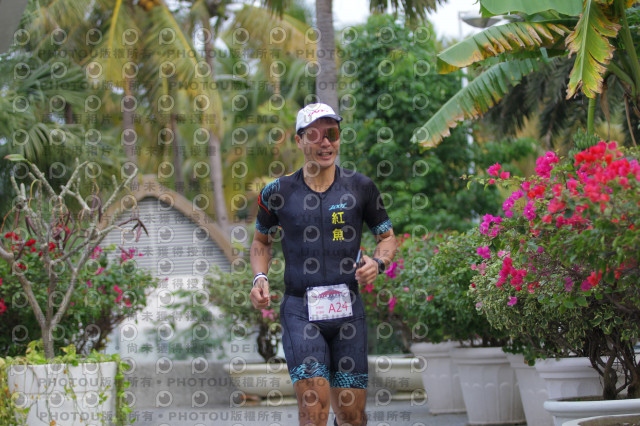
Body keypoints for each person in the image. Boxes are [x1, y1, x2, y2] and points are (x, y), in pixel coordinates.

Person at [250, 103, 397, 426]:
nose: (325, 142)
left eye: (332, 133)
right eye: (315, 135)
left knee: (352, 416)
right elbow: (262, 242)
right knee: (314, 408)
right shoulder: (277, 192)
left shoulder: (361, 187)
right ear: (299, 140)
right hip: (300, 310)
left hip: (348, 312)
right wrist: (259, 276)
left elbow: (387, 238)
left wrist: (378, 262)